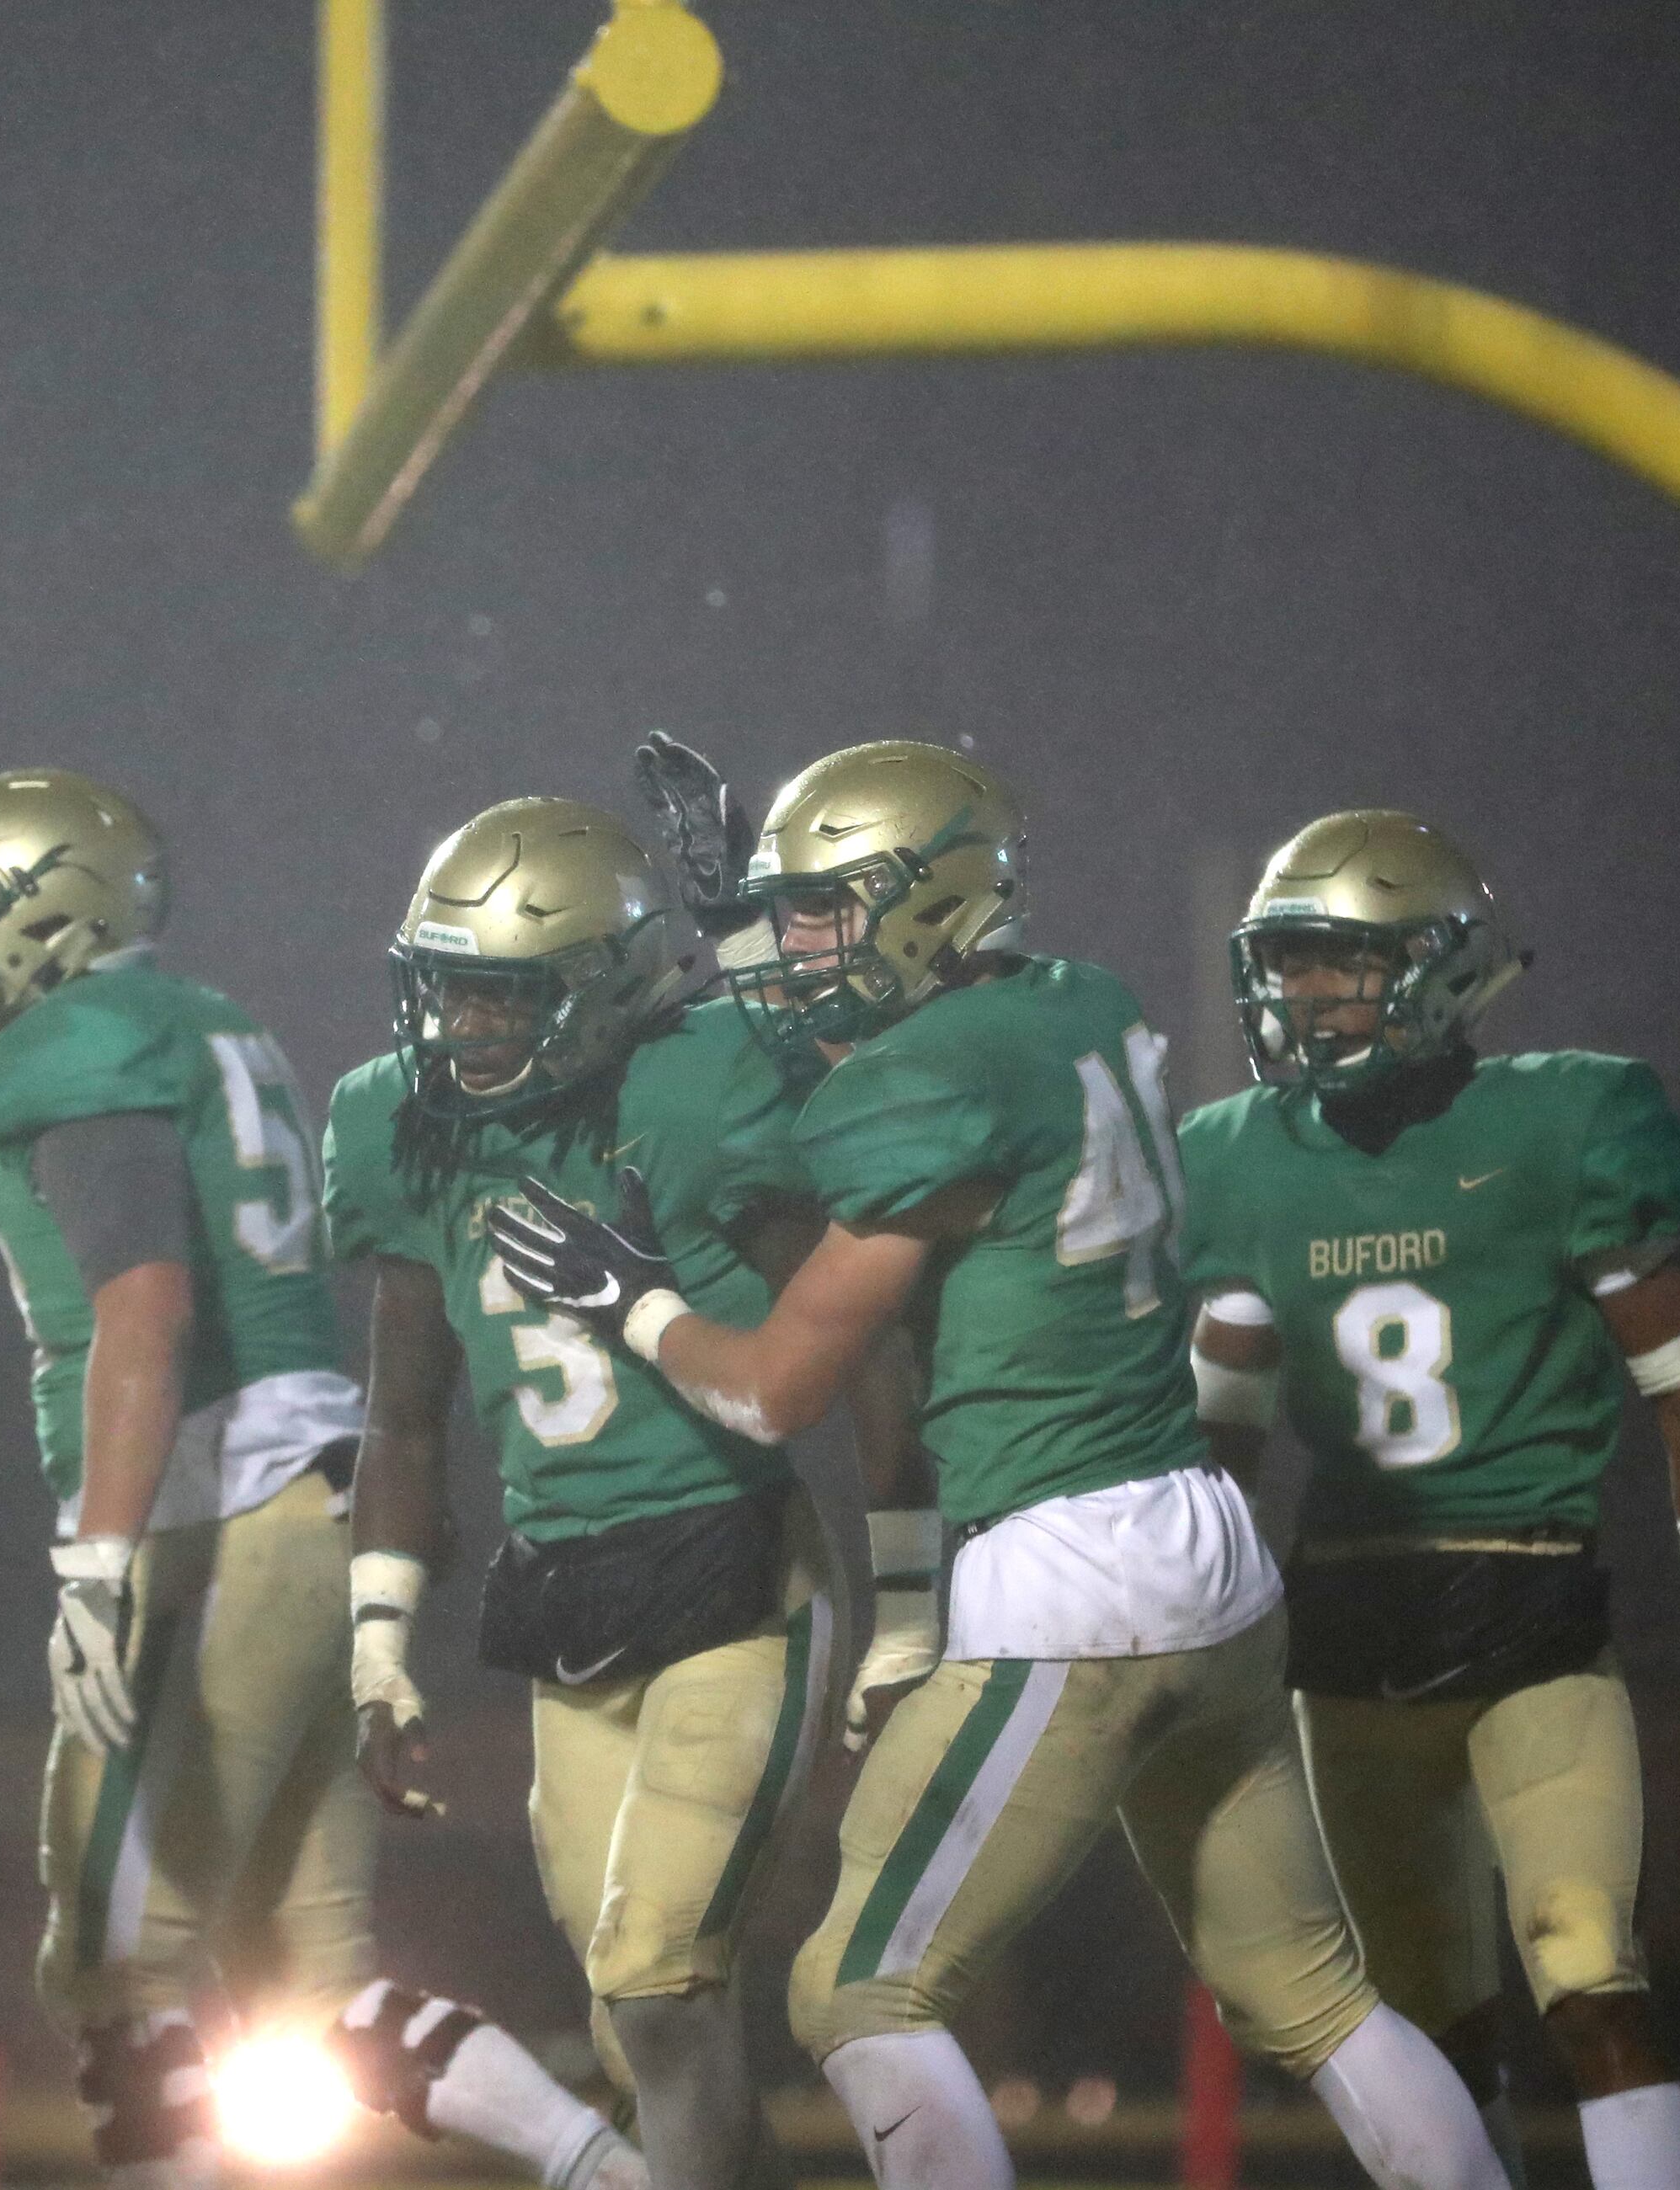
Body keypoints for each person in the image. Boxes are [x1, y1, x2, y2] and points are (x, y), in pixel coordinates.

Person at [490, 741, 1506, 2190]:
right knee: (1317, 1993)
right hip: (1208, 1547)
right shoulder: (1080, 999)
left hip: (1066, 1576)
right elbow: (904, 1058)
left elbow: (775, 1389)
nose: (795, 949)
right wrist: (745, 932)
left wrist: (636, 1302)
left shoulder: (929, 1081)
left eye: (827, 911)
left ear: (934, 901)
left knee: (854, 1988)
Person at [0, 770, 637, 2190]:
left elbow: (143, 1308)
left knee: (115, 1961)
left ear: (53, 909)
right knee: (313, 1986)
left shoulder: (73, 1043)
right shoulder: (210, 1023)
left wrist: (99, 1558)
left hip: (220, 1513)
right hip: (318, 1505)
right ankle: (605, 2168)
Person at [326, 791, 913, 2190]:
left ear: (607, 989)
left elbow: (865, 1344)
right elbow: (402, 1411)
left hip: (735, 1579)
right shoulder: (394, 1120)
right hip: (565, 1600)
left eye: (505, 993)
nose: (464, 1024)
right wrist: (377, 1637)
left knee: (658, 1982)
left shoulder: (699, 1088)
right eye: (450, 988)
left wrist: (910, 1587)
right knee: (640, 2025)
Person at [1178, 809, 1680, 2190]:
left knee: (1593, 1980)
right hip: (1348, 1636)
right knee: (1431, 2031)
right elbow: (1221, 1448)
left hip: (1530, 1614)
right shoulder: (1243, 1155)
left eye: (1340, 959)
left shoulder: (1561, 1124)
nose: (1306, 992)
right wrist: (1183, 1645)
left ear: (1440, 968)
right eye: (1288, 961)